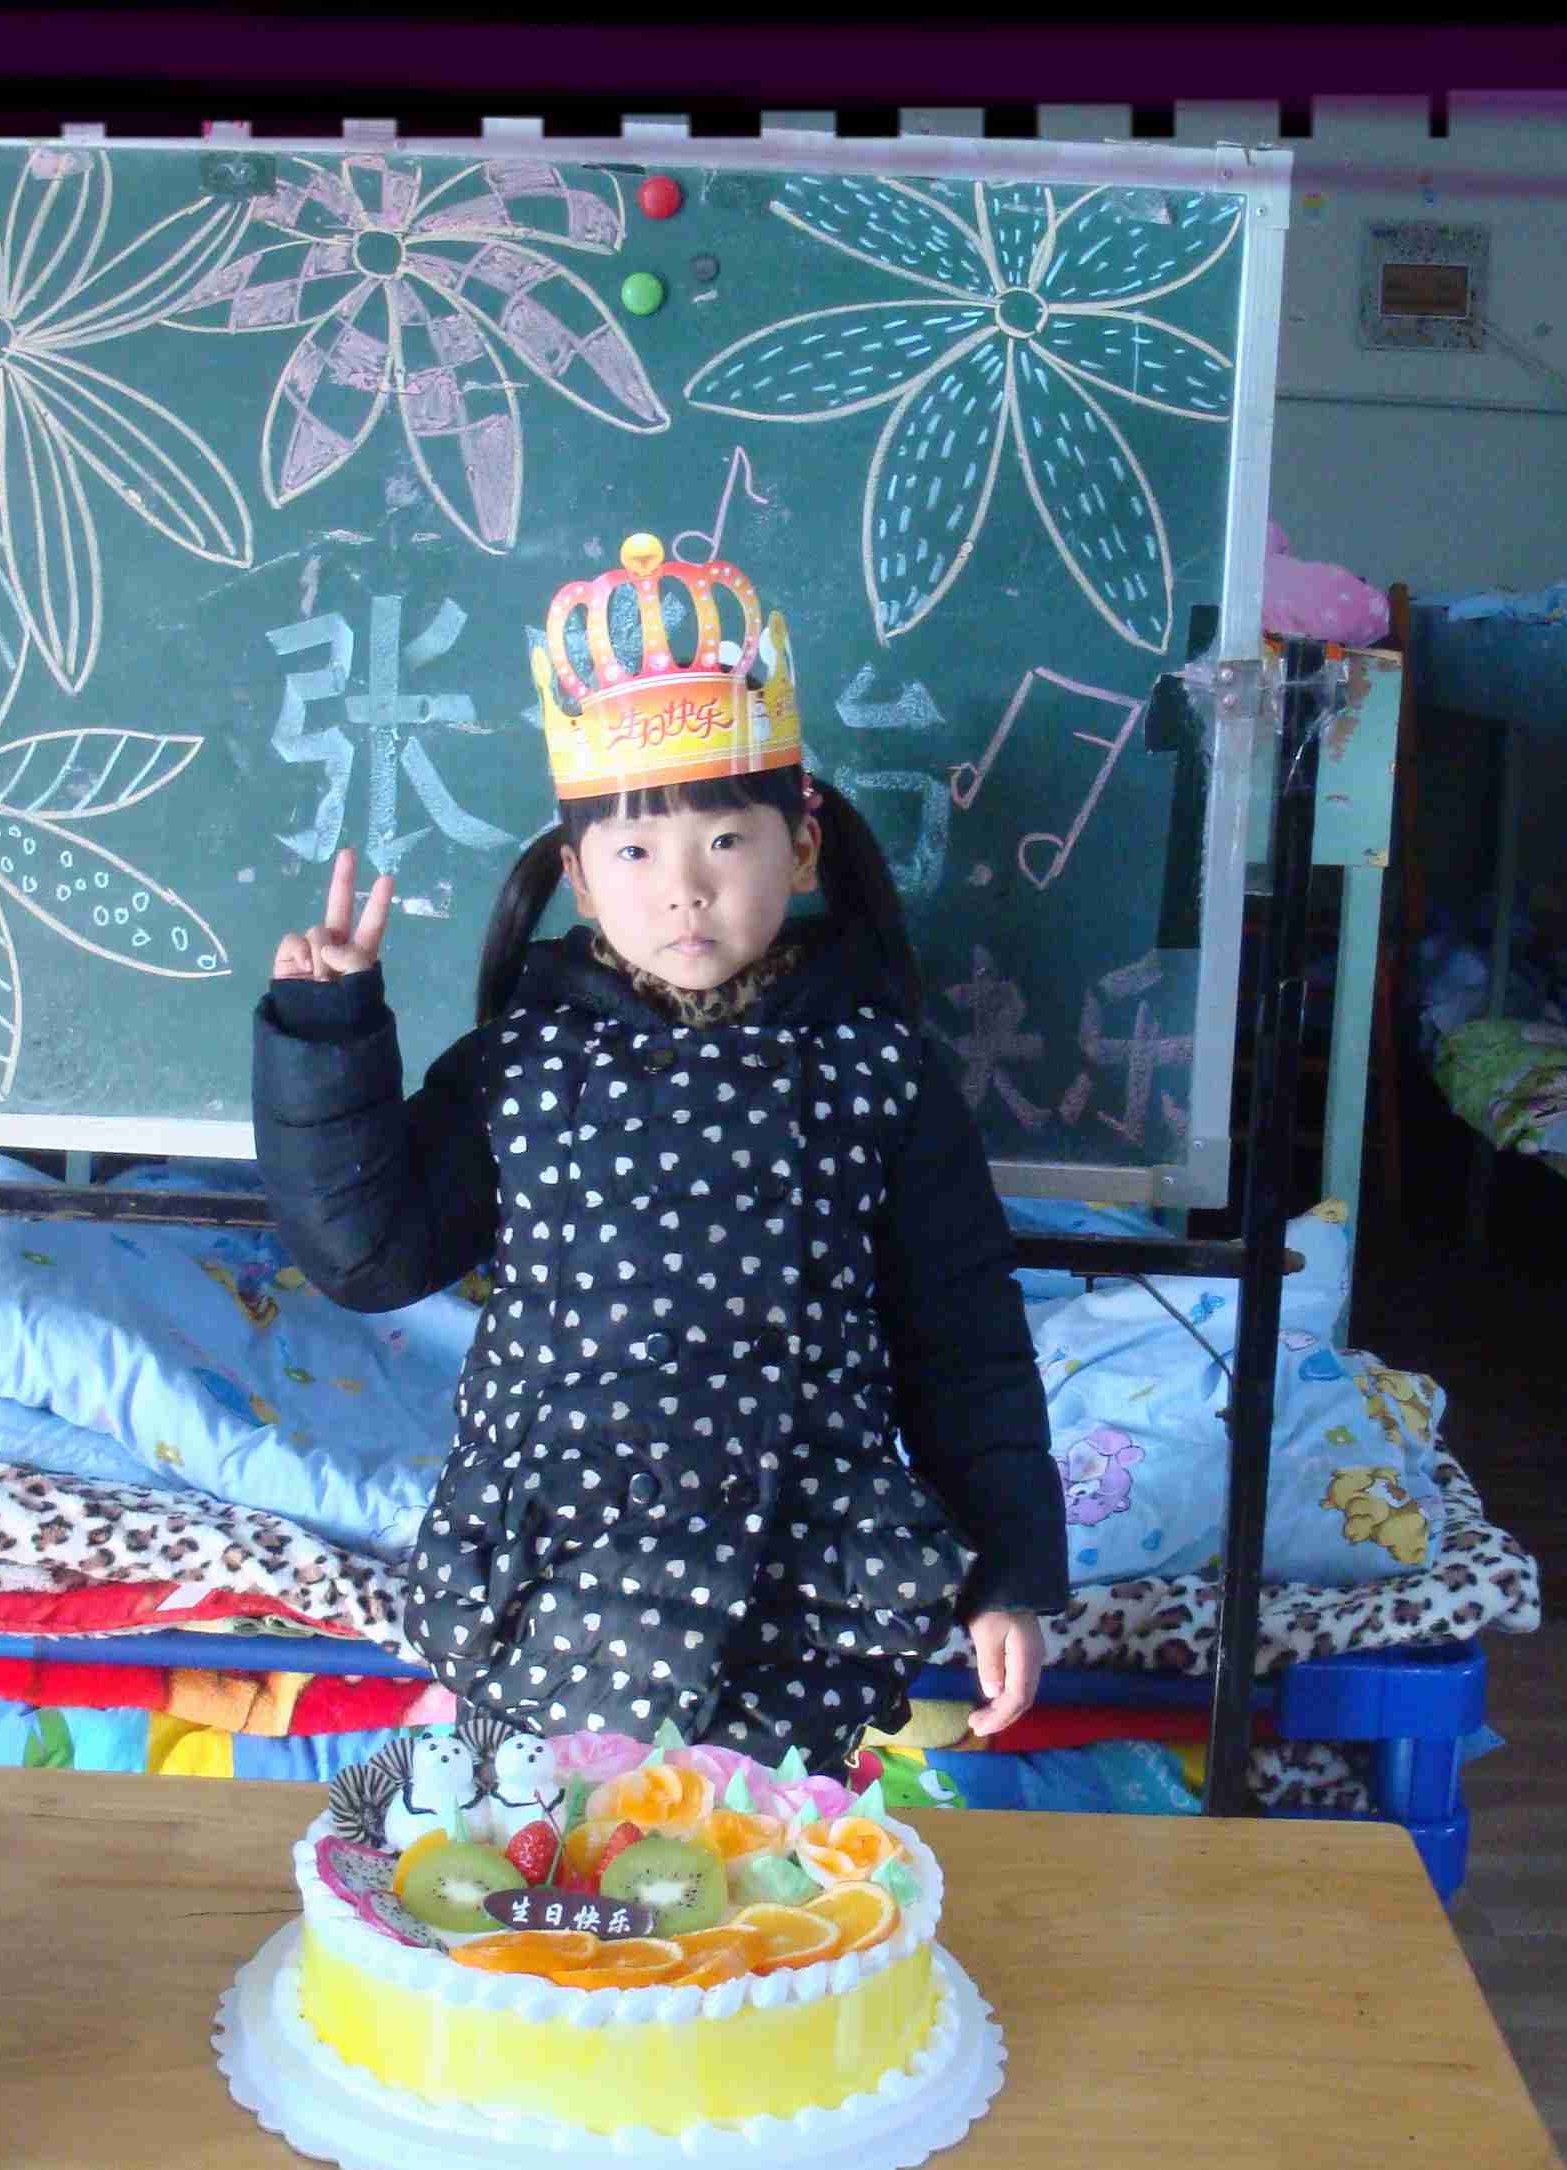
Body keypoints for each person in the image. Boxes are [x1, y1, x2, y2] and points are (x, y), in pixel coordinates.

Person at [253, 534, 1063, 1776]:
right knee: (555, 1868)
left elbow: (965, 1340)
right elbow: (368, 1257)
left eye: (724, 843)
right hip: (556, 1574)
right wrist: (328, 1032)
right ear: (578, 879)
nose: (684, 890)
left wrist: (1007, 1573)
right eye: (635, 852)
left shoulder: (879, 1070)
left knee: (757, 1871)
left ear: (801, 848)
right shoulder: (521, 1067)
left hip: (801, 1580)